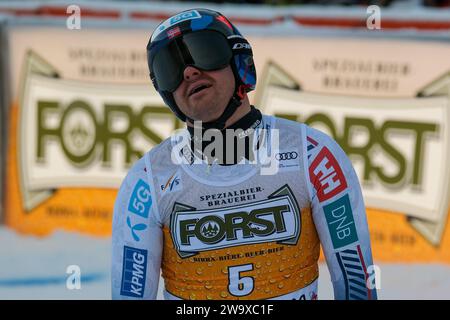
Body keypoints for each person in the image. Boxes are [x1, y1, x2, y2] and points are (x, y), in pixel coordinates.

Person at [111, 8, 378, 300]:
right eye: (169, 67)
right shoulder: (148, 181)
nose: (188, 71)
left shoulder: (313, 157)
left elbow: (356, 288)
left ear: (239, 62)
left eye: (203, 51)